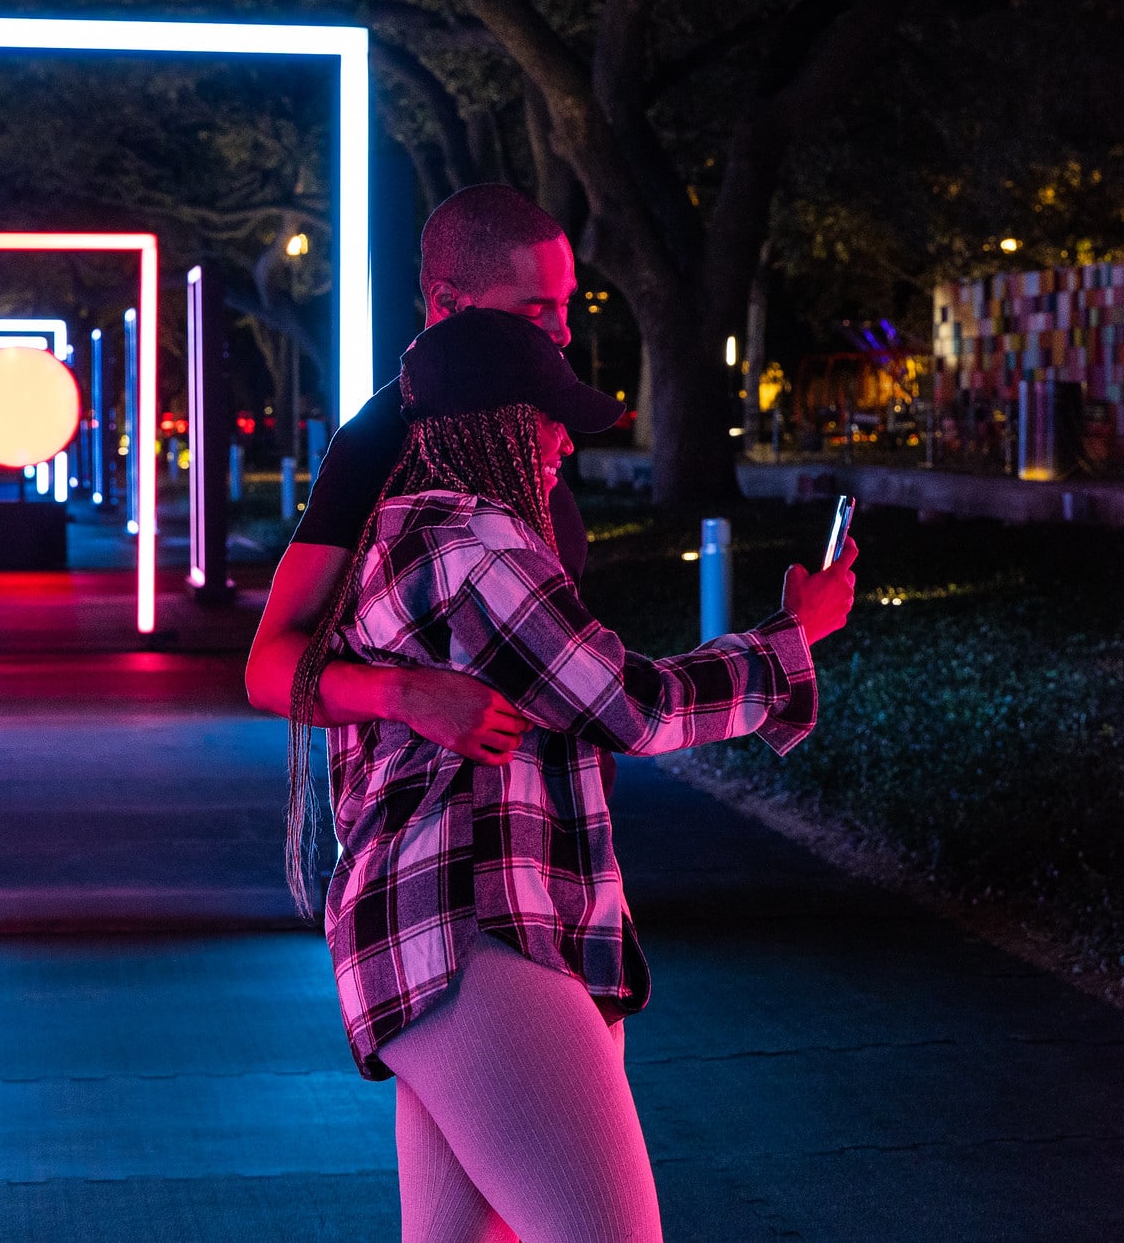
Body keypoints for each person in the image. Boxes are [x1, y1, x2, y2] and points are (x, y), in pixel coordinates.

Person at [285, 310, 858, 1243]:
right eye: (547, 418)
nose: (563, 443)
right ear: (496, 424)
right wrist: (793, 639)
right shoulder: (480, 548)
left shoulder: (401, 538)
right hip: (474, 924)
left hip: (425, 934)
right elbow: (634, 705)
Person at [246, 182, 582, 763]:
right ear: (448, 302)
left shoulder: (530, 415)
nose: (562, 331)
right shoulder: (377, 441)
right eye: (534, 309)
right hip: (431, 810)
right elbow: (267, 668)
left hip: (557, 807)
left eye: (567, 302)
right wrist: (403, 694)